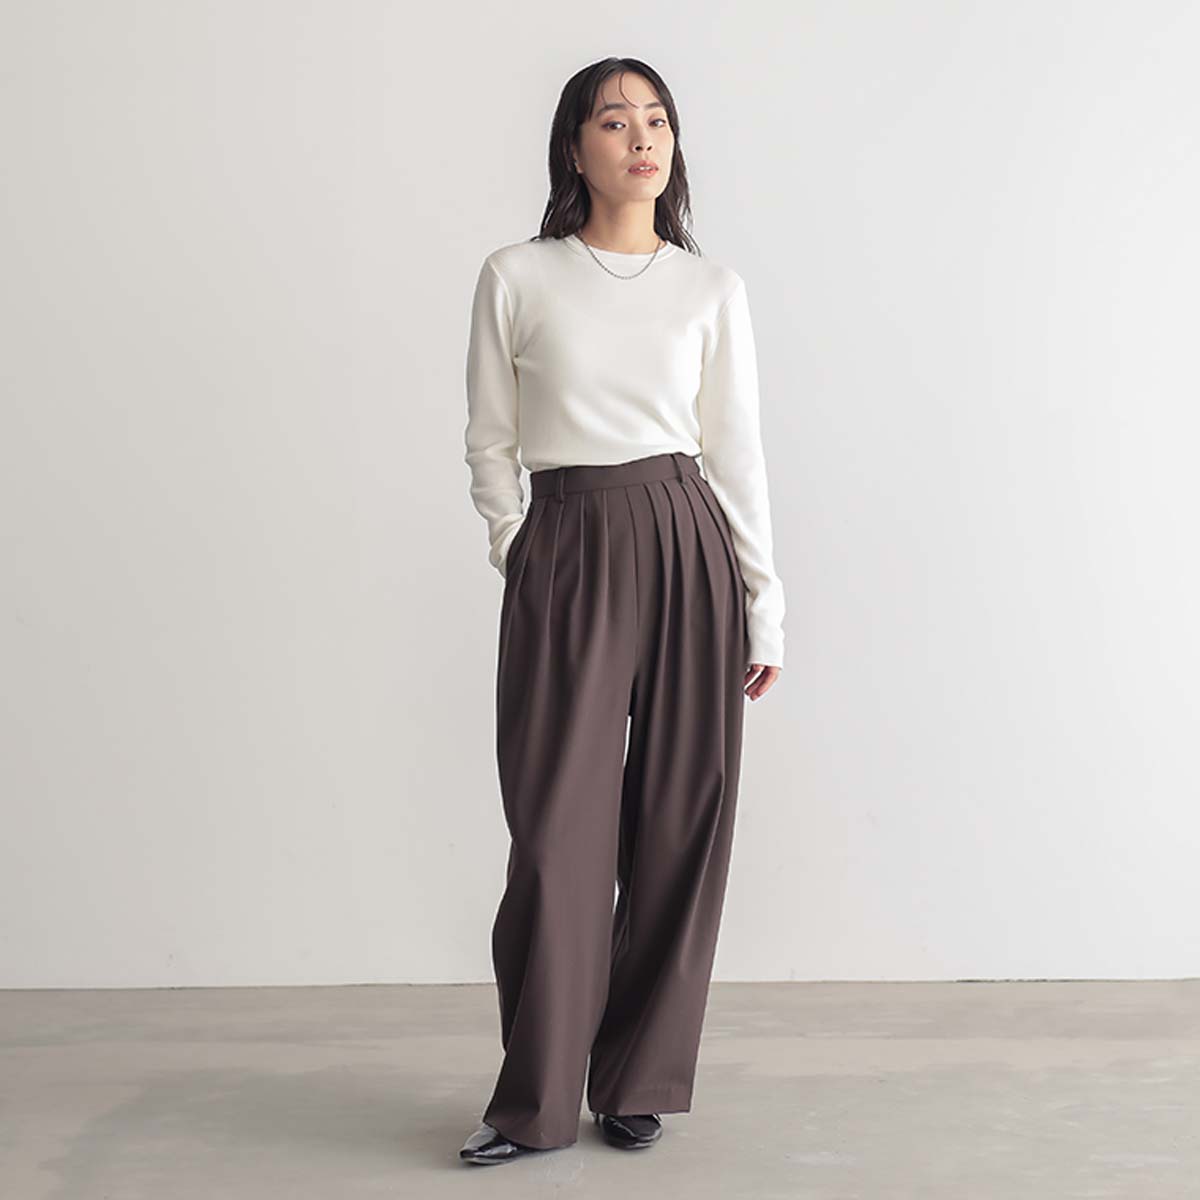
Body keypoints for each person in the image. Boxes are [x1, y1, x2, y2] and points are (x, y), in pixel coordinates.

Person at [459, 56, 785, 1165]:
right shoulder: (518, 275)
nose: (641, 137)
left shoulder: (710, 289)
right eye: (614, 120)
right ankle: (536, 1100)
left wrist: (765, 606)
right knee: (556, 836)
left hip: (688, 538)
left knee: (680, 822)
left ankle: (637, 1079)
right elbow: (490, 439)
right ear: (575, 146)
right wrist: (518, 545)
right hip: (567, 543)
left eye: (657, 119)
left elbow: (736, 454)